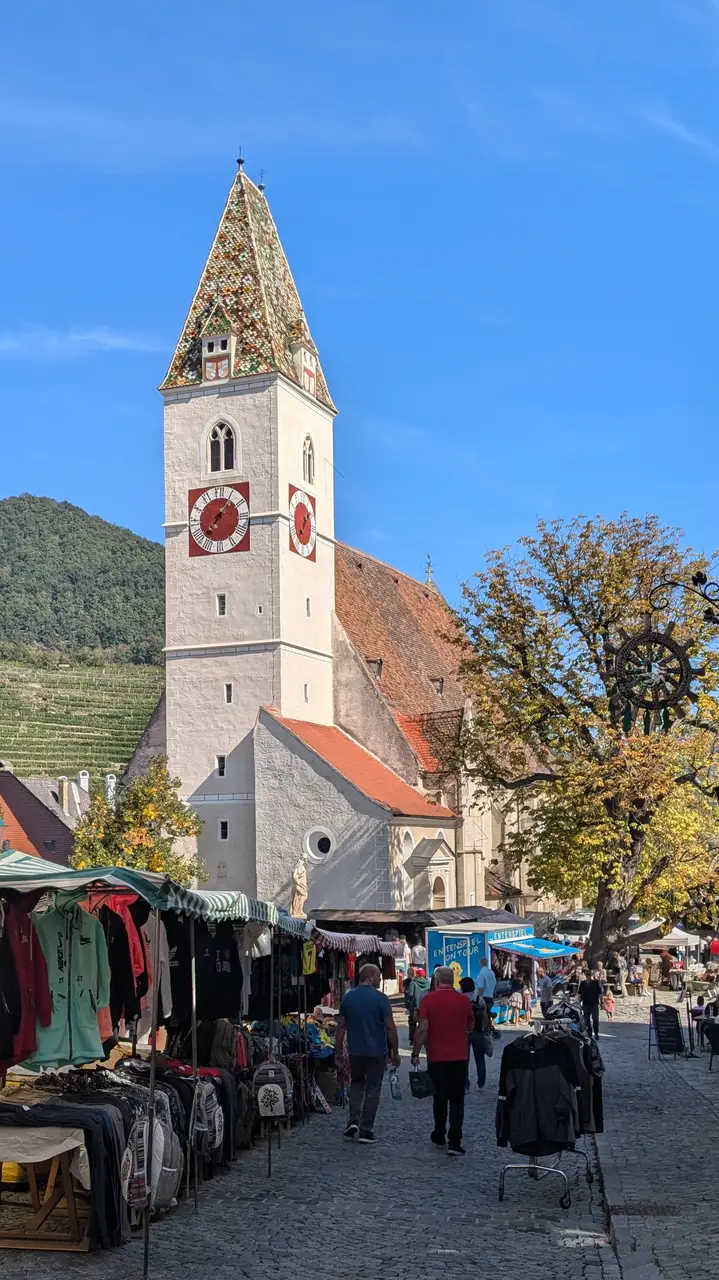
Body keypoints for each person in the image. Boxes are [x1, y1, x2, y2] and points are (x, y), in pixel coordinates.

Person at [411, 967, 474, 1155]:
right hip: (459, 1057)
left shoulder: (428, 1000)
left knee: (438, 1097)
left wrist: (415, 1052)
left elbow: (422, 1029)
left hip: (437, 1056)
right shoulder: (463, 1000)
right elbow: (471, 1024)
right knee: (457, 1100)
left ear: (436, 981)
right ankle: (455, 1141)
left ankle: (439, 1133)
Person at [335, 964, 400, 1144]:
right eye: (378, 975)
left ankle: (353, 1120)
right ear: (370, 976)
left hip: (355, 1051)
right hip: (376, 1052)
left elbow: (341, 1027)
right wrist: (395, 1051)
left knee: (356, 1085)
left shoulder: (348, 998)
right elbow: (390, 1027)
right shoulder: (381, 999)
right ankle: (365, 1130)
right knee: (373, 1089)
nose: (380, 978)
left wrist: (338, 1051)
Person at [459, 977, 489, 1089]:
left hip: (464, 1032)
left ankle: (465, 1084)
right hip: (478, 1031)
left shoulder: (460, 1000)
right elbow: (485, 1016)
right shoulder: (479, 999)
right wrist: (486, 1030)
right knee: (480, 1059)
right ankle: (481, 1082)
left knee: (464, 1060)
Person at [404, 967, 430, 1043]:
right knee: (424, 1023)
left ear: (417, 974)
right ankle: (425, 1039)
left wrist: (408, 1003)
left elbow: (410, 994)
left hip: (414, 1006)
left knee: (412, 1023)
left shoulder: (413, 982)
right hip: (425, 1006)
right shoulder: (428, 983)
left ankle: (413, 1040)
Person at [578, 970, 602, 1038]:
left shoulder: (595, 983)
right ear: (585, 975)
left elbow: (600, 993)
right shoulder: (583, 983)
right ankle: (589, 1034)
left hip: (594, 1004)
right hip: (585, 1004)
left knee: (595, 1020)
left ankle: (596, 1033)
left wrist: (602, 1002)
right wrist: (579, 1002)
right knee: (587, 1020)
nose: (588, 976)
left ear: (591, 975)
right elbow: (579, 994)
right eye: (587, 974)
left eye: (589, 974)